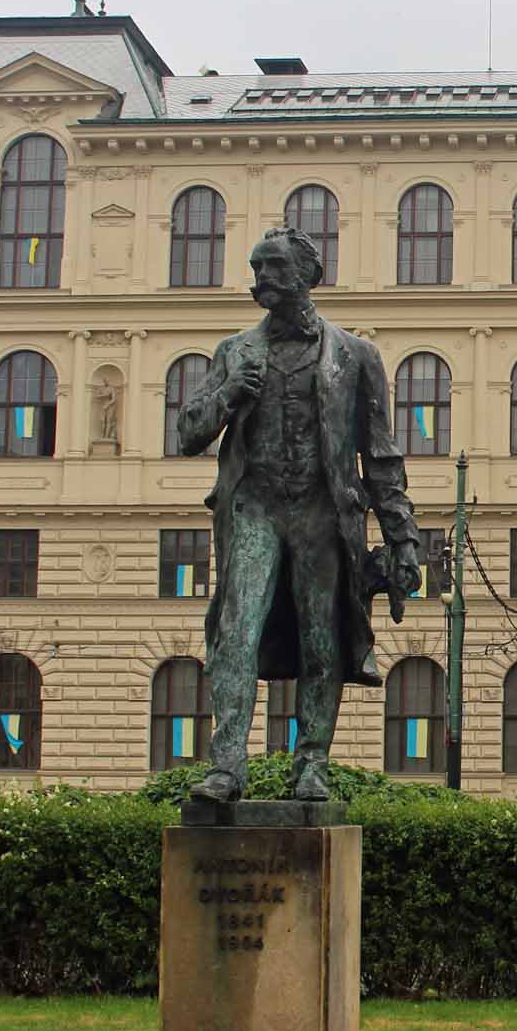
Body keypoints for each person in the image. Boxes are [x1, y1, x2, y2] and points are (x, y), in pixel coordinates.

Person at [175, 227, 421, 801]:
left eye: (273, 268)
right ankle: (227, 766)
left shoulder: (356, 356)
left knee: (321, 639)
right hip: (254, 507)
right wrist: (229, 395)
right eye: (256, 267)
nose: (260, 278)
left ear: (307, 275)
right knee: (235, 633)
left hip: (322, 512)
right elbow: (188, 432)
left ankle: (311, 761)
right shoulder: (236, 352)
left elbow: (380, 455)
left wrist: (403, 539)